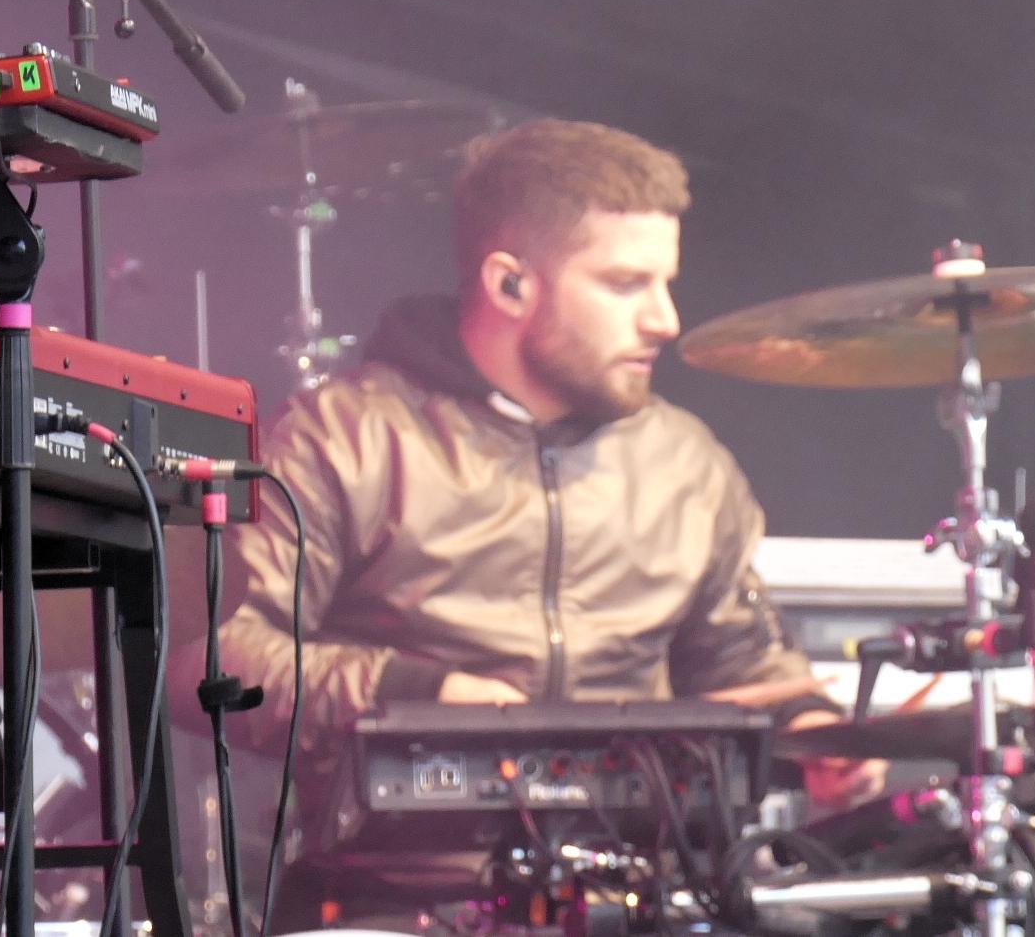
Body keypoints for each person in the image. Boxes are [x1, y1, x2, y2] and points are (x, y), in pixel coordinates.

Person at [215, 118, 882, 900]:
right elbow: (221, 656)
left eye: (664, 283)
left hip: (653, 894)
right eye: (626, 284)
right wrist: (417, 693)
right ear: (508, 284)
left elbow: (744, 667)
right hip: (404, 893)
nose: (665, 319)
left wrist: (814, 732)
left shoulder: (687, 463)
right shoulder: (344, 439)